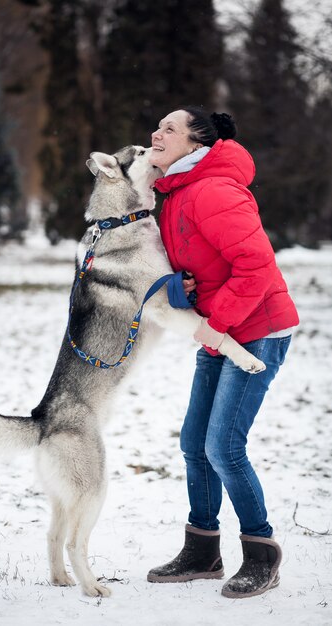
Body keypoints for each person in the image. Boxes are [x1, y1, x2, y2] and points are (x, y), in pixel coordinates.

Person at [147, 106, 299, 599]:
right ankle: (203, 550)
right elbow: (198, 264)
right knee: (195, 443)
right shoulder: (175, 194)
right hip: (223, 327)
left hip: (257, 329)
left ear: (196, 144)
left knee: (223, 447)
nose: (157, 133)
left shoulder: (212, 190)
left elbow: (255, 266)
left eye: (169, 128)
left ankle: (261, 553)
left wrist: (216, 323)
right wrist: (182, 287)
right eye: (158, 125)